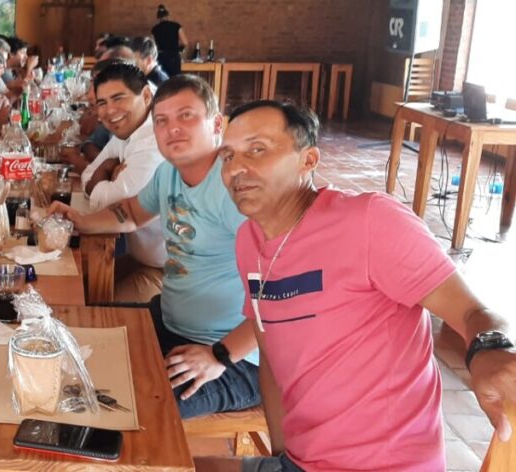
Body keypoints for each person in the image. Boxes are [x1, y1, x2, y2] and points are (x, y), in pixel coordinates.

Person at [198, 100, 516, 471]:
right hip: (299, 460)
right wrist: (281, 453)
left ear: (308, 160)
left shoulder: (369, 221)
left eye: (257, 149)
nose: (236, 168)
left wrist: (488, 348)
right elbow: (269, 350)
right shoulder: (248, 241)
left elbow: (473, 311)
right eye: (228, 156)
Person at [50, 76, 260, 419]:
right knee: (70, 331)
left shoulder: (235, 189)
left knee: (133, 407)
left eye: (186, 116)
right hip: (170, 322)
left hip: (234, 355)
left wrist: (220, 355)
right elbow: (132, 213)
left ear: (216, 124)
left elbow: (282, 295)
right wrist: (81, 221)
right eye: (161, 120)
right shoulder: (168, 174)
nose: (172, 129)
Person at [76, 62, 165, 303]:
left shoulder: (153, 142)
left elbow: (107, 204)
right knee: (77, 290)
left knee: (94, 312)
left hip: (169, 274)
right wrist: (107, 168)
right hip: (142, 259)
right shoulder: (128, 130)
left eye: (118, 98)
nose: (109, 111)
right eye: (102, 103)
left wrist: (105, 175)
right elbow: (87, 177)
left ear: (145, 96)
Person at [151, 4, 187, 76]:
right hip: (174, 56)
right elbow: (185, 42)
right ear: (167, 16)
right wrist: (177, 47)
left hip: (161, 57)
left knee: (163, 78)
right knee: (175, 79)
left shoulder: (154, 29)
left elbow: (153, 46)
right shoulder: (176, 26)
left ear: (158, 17)